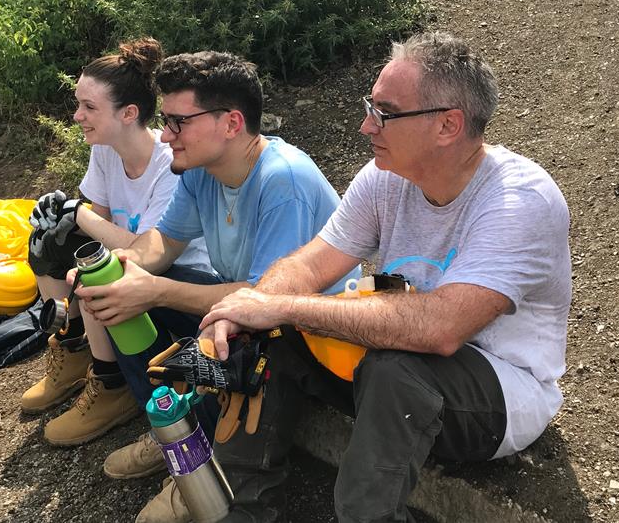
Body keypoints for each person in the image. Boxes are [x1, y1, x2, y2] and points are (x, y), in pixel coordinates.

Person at [199, 31, 572, 522]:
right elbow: (309, 264)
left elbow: (441, 330)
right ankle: (242, 508)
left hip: (499, 394)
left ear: (447, 125)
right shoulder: (385, 177)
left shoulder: (519, 201)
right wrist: (251, 308)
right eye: (369, 108)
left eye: (384, 113)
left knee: (393, 366)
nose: (365, 126)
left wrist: (282, 305)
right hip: (393, 378)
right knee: (267, 328)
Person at [69, 50, 359, 521]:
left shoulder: (282, 179)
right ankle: (173, 430)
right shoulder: (200, 172)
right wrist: (124, 264)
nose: (166, 136)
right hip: (246, 305)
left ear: (231, 123)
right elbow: (164, 242)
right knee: (117, 293)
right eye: (165, 121)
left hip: (307, 334)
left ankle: (200, 468)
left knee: (225, 334)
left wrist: (156, 291)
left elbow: (266, 299)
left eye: (179, 122)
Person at [21, 37, 210, 447]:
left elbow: (150, 247)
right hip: (134, 261)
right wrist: (66, 218)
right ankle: (74, 350)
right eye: (78, 104)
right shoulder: (106, 150)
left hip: (179, 274)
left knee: (102, 269)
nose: (77, 116)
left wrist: (79, 213)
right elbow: (98, 220)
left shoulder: (169, 163)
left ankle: (113, 384)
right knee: (49, 240)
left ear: (129, 113)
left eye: (89, 108)